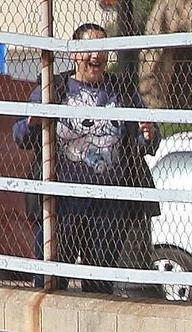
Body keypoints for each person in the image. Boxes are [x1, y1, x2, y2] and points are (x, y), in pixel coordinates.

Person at [13, 23, 161, 297]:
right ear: (74, 54)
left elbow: (146, 140)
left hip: (108, 205)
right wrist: (33, 122)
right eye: (89, 49)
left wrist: (148, 134)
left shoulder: (123, 91)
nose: (96, 56)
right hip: (62, 201)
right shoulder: (54, 87)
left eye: (102, 49)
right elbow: (20, 135)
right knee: (51, 279)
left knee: (99, 282)